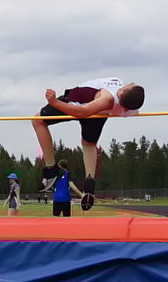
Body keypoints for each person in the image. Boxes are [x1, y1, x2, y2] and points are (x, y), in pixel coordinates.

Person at [32, 77, 144, 210]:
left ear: (120, 94)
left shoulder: (108, 98)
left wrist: (54, 102)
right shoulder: (130, 108)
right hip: (99, 114)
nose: (129, 84)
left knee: (38, 120)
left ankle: (50, 170)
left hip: (78, 102)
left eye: (126, 88)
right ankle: (89, 183)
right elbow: (132, 104)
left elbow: (82, 112)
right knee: (89, 143)